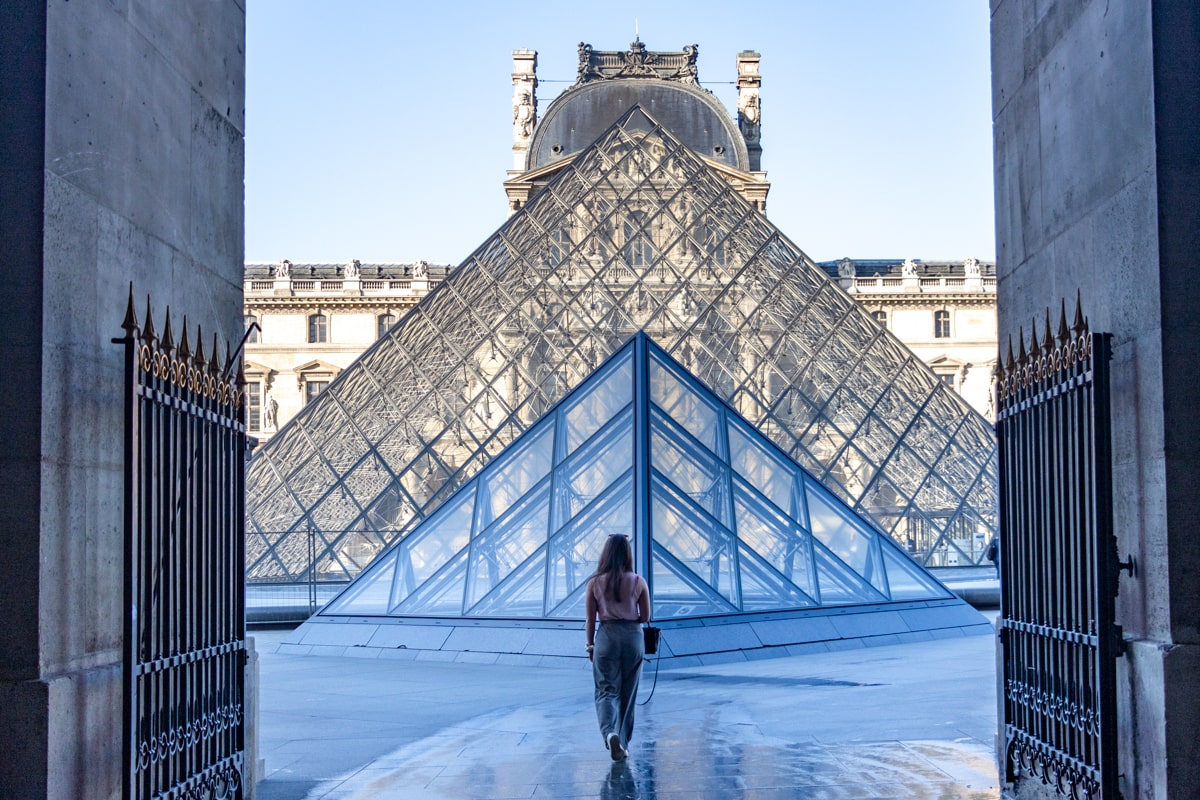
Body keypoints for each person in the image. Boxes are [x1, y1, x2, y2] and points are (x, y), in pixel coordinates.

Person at [585, 534, 651, 761]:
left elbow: (590, 620)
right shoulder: (638, 581)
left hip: (606, 636)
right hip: (632, 636)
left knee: (606, 690)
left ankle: (609, 733)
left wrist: (590, 646)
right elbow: (646, 616)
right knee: (628, 693)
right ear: (627, 554)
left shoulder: (594, 582)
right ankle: (623, 742)